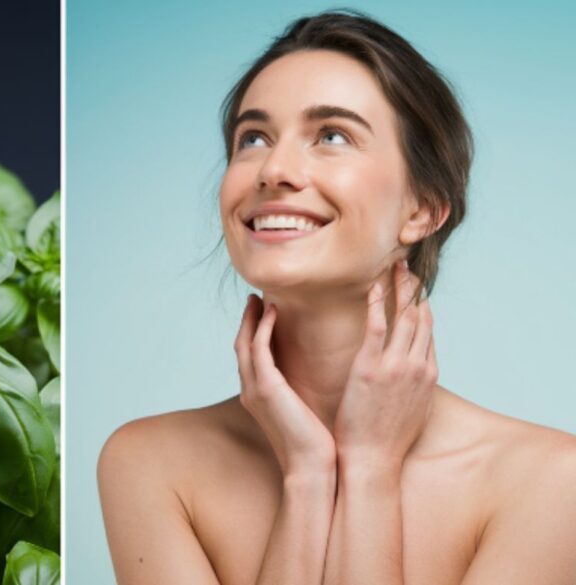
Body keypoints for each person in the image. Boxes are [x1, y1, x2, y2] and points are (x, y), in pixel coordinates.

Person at [97, 9, 576, 585]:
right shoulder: (148, 464)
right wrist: (307, 474)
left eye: (332, 135)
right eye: (253, 138)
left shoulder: (550, 481)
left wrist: (369, 471)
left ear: (422, 209)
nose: (274, 168)